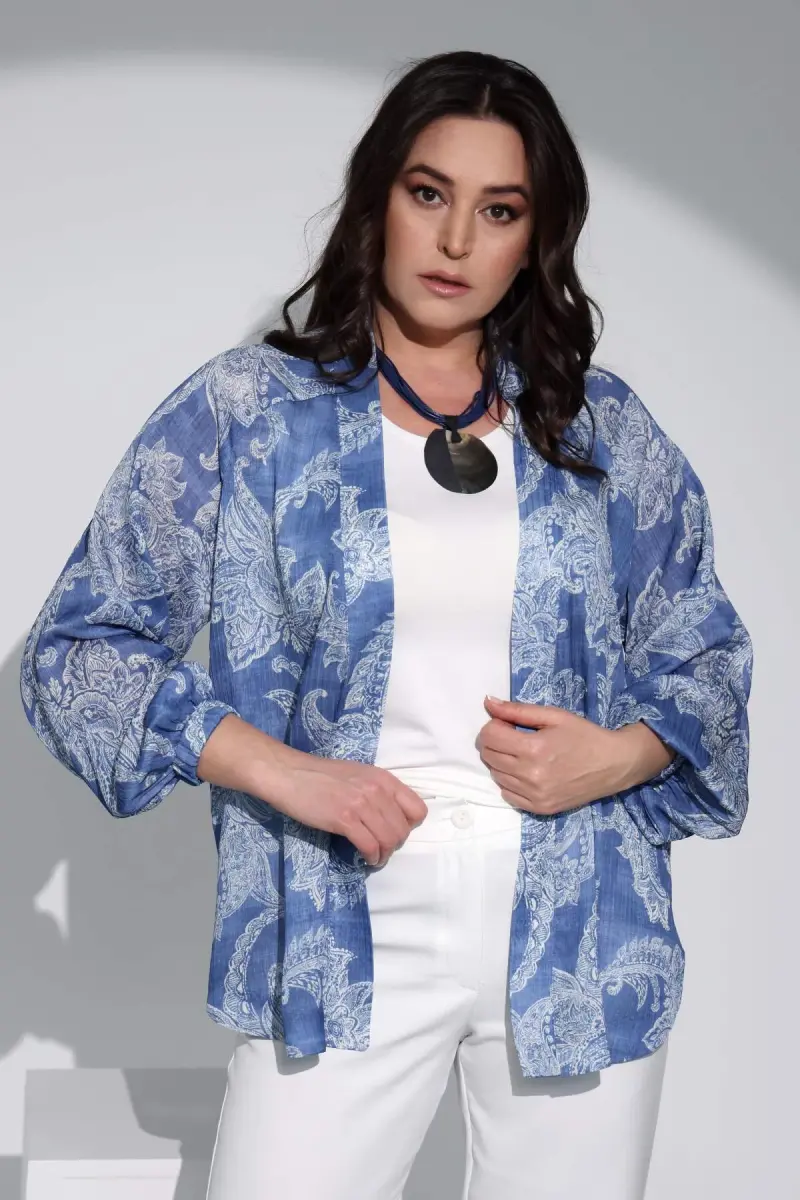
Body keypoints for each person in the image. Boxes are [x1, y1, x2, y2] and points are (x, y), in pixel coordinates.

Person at [19, 49, 753, 1200]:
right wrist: (282, 771)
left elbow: (703, 652)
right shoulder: (249, 413)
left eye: (498, 210)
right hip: (342, 910)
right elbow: (79, 651)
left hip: (575, 918)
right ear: (377, 198)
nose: (455, 240)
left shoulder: (596, 430)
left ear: (535, 237)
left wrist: (615, 756)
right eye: (428, 193)